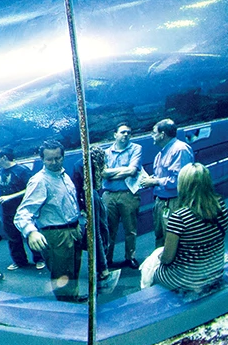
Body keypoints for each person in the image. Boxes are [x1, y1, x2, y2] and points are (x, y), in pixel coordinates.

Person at [142, 163, 228, 294]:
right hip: (215, 270)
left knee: (149, 265)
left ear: (183, 186)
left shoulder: (179, 218)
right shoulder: (221, 206)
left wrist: (159, 257)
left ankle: (147, 296)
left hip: (187, 280)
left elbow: (167, 259)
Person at [15, 140, 84, 301]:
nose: (54, 163)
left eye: (58, 158)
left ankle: (73, 298)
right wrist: (31, 232)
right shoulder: (40, 181)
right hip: (56, 235)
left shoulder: (64, 176)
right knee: (61, 275)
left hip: (73, 230)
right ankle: (67, 309)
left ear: (63, 156)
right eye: (49, 159)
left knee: (73, 270)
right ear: (42, 159)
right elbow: (23, 212)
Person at [70, 148, 123, 294]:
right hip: (91, 197)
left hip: (92, 197)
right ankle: (103, 268)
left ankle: (100, 265)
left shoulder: (84, 163)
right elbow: (78, 187)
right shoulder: (83, 165)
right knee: (97, 233)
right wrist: (82, 206)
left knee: (100, 230)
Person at [138, 119, 194, 245]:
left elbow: (179, 179)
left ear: (162, 134)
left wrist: (155, 181)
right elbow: (164, 175)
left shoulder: (180, 150)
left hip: (174, 202)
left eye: (154, 133)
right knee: (160, 236)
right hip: (161, 201)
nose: (152, 136)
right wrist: (152, 179)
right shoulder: (162, 153)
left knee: (174, 238)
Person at [0, 147, 45, 271]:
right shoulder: (0, 171)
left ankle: (39, 259)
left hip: (22, 210)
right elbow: (0, 187)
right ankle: (19, 261)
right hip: (7, 211)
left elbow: (29, 189)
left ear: (4, 157)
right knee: (12, 237)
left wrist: (9, 197)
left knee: (30, 234)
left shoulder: (21, 170)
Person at [102, 123, 143, 269]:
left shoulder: (136, 149)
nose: (126, 135)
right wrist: (122, 171)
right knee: (108, 230)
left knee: (130, 229)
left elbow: (132, 171)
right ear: (115, 135)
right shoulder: (105, 153)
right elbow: (102, 173)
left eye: (129, 132)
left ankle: (130, 257)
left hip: (128, 195)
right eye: (123, 132)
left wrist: (111, 173)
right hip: (109, 196)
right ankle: (107, 259)